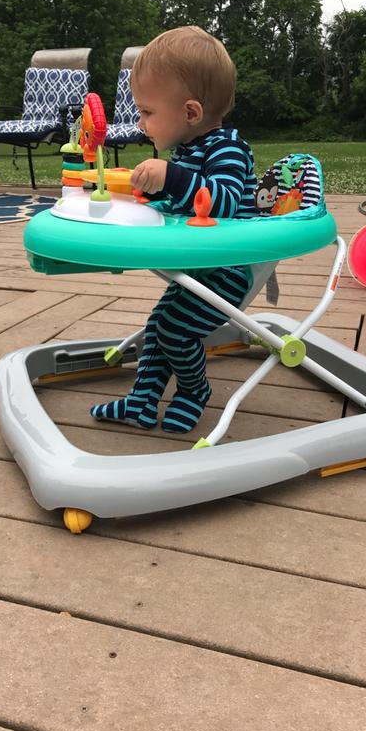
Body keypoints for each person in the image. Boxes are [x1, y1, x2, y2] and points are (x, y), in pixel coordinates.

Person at [91, 25, 259, 434]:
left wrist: (171, 177)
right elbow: (182, 204)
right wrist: (150, 200)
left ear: (190, 113)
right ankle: (142, 402)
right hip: (201, 265)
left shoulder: (227, 149)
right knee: (158, 327)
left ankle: (193, 391)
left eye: (147, 112)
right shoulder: (189, 150)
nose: (141, 121)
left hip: (230, 268)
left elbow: (223, 202)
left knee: (174, 329)